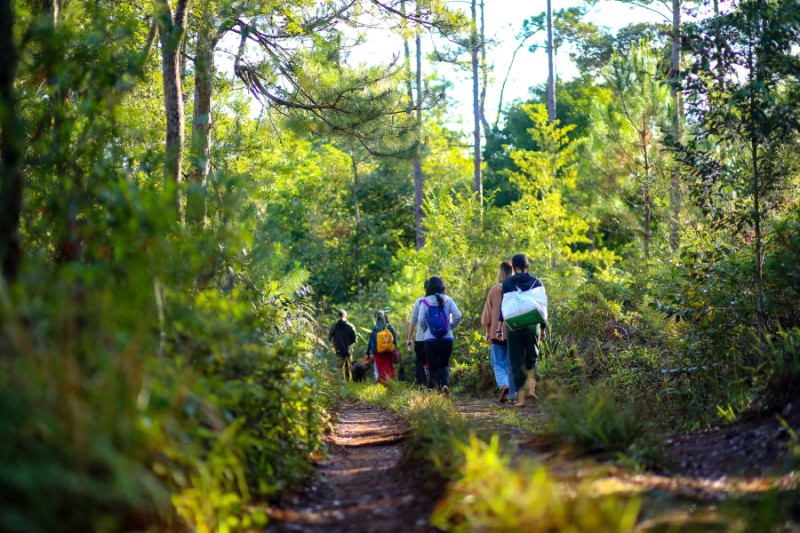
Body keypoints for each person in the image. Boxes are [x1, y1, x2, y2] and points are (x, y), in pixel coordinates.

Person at [496, 253, 548, 408]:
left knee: (516, 359)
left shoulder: (507, 283)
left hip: (515, 324)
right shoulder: (537, 282)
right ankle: (532, 390)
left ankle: (521, 400)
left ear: (514, 266)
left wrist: (499, 329)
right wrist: (543, 328)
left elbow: (504, 308)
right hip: (533, 324)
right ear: (527, 265)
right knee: (532, 356)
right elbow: (543, 307)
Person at [417, 276, 462, 394]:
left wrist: (426, 328)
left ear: (429, 287)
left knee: (433, 366)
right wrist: (449, 327)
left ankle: (435, 390)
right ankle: (445, 385)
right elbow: (458, 315)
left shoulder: (425, 301)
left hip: (430, 339)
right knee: (444, 364)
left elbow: (421, 319)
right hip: (447, 338)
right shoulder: (448, 299)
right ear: (442, 287)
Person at [481, 261, 516, 404]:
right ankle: (512, 394)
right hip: (514, 331)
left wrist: (487, 329)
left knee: (498, 364)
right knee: (511, 364)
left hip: (496, 332)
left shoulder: (495, 290)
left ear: (500, 272)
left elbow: (487, 314)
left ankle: (504, 385)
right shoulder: (516, 289)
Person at [405, 280, 430, 387]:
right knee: (435, 363)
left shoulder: (420, 301)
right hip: (437, 338)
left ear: (425, 289)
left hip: (421, 338)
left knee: (420, 363)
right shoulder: (442, 300)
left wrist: (409, 339)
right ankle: (434, 387)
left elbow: (413, 321)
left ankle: (421, 386)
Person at [366, 309, 398, 383]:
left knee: (380, 368)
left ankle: (383, 383)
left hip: (379, 352)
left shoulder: (375, 328)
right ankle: (390, 382)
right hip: (388, 351)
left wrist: (372, 352)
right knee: (389, 367)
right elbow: (394, 340)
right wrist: (395, 349)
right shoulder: (389, 327)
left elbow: (372, 341)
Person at [329, 309, 357, 381]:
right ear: (346, 317)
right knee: (348, 367)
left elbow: (329, 338)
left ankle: (340, 384)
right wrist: (349, 345)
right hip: (348, 350)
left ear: (338, 317)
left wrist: (334, 344)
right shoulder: (351, 326)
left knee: (339, 368)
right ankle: (348, 382)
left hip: (338, 350)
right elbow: (354, 339)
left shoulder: (334, 327)